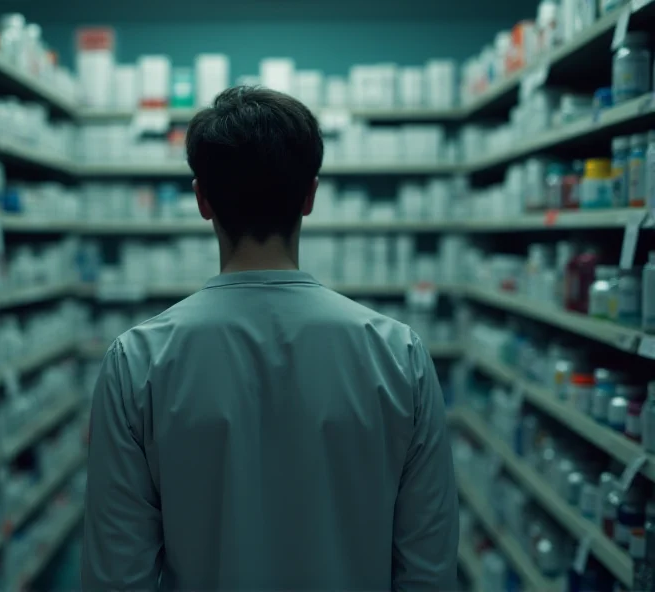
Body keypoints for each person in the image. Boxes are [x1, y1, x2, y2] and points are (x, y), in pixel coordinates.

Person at [82, 86, 459, 591]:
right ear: (310, 196)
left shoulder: (137, 362)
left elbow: (116, 576)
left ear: (202, 200)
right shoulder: (399, 354)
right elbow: (428, 570)